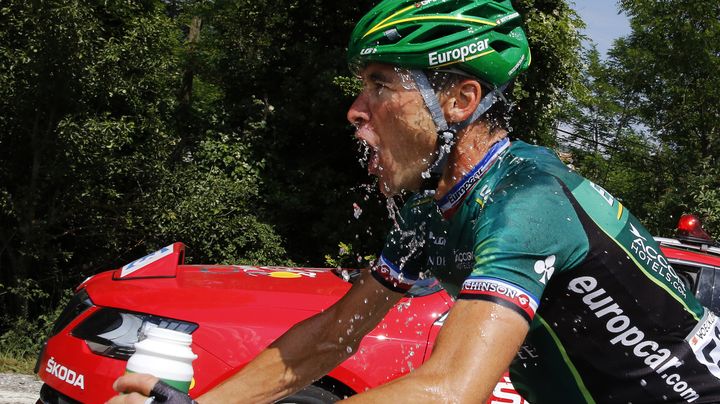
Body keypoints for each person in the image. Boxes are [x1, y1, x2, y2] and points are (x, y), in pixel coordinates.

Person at [109, 0, 720, 403]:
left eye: (381, 86)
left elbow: (453, 389)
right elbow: (330, 338)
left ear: (459, 101)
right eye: (360, 87)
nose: (355, 112)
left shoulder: (526, 200)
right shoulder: (432, 212)